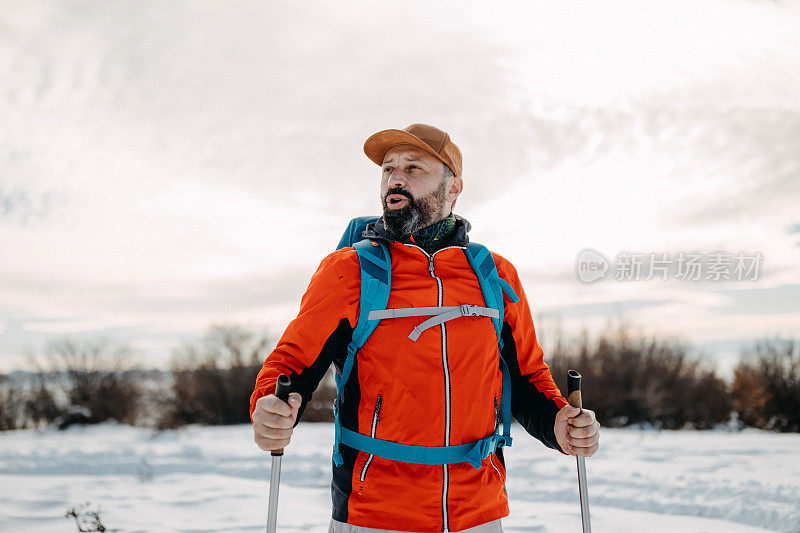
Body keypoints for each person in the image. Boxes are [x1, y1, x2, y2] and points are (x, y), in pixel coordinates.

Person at [250, 124, 600, 533]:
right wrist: (269, 408)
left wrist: (559, 421)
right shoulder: (349, 271)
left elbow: (525, 376)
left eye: (414, 168)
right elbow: (291, 364)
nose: (395, 178)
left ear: (454, 189)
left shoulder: (494, 276)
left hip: (479, 510)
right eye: (388, 169)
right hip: (375, 512)